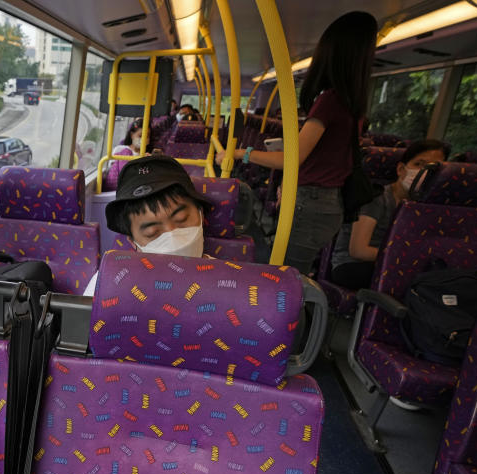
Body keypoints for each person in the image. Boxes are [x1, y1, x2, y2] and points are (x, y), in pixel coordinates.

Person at [217, 11, 379, 276]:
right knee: (291, 275)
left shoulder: (330, 101)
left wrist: (239, 153)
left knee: (284, 280)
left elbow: (291, 160)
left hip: (312, 204)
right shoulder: (352, 104)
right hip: (324, 202)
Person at [85, 153, 214, 296]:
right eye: (152, 232)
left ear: (201, 214)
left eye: (181, 219)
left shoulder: (231, 282)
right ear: (133, 242)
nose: (173, 238)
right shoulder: (107, 285)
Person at [330, 139, 449, 289]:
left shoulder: (424, 208)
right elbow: (358, 250)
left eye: (432, 170)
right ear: (400, 169)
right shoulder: (377, 198)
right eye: (418, 164)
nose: (424, 173)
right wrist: (404, 257)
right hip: (352, 265)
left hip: (392, 264)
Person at [105, 118, 152, 189]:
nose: (144, 139)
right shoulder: (120, 149)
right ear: (132, 135)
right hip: (118, 186)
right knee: (126, 152)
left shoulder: (147, 156)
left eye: (147, 136)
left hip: (134, 187)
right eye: (140, 136)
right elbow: (112, 170)